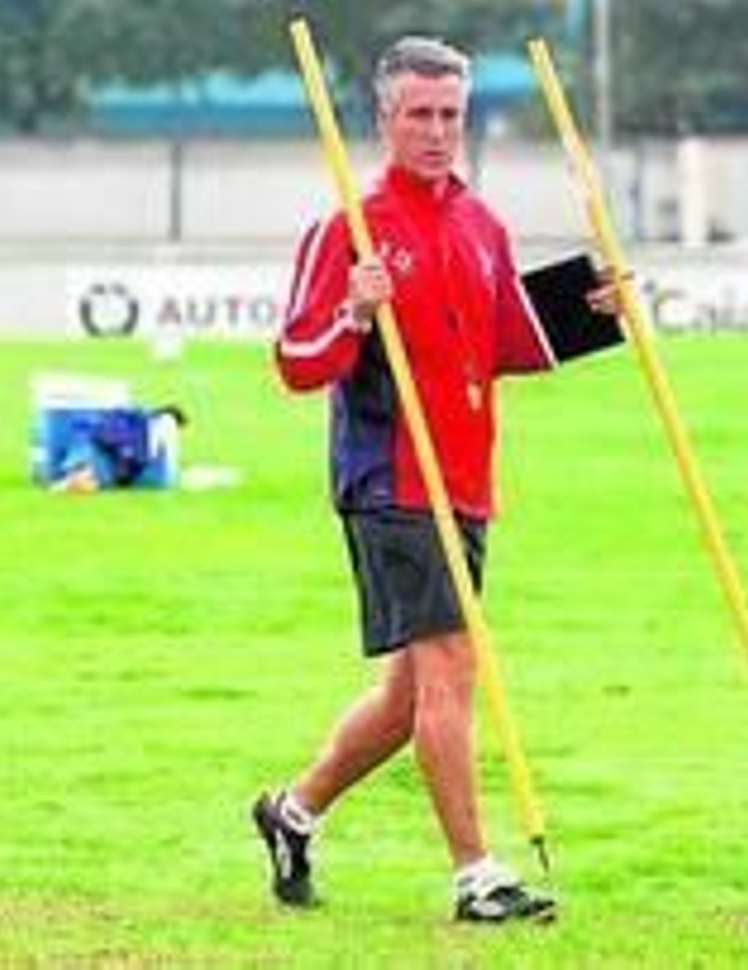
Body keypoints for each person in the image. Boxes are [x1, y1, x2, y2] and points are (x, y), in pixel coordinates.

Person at [255, 35, 619, 924]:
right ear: (385, 119)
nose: (436, 131)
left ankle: (291, 813)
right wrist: (354, 309)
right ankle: (477, 876)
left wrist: (588, 313)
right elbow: (296, 362)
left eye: (450, 114)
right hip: (390, 478)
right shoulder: (349, 225)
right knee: (455, 664)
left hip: (464, 476)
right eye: (419, 114)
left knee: (413, 695)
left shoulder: (479, 223)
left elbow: (496, 343)